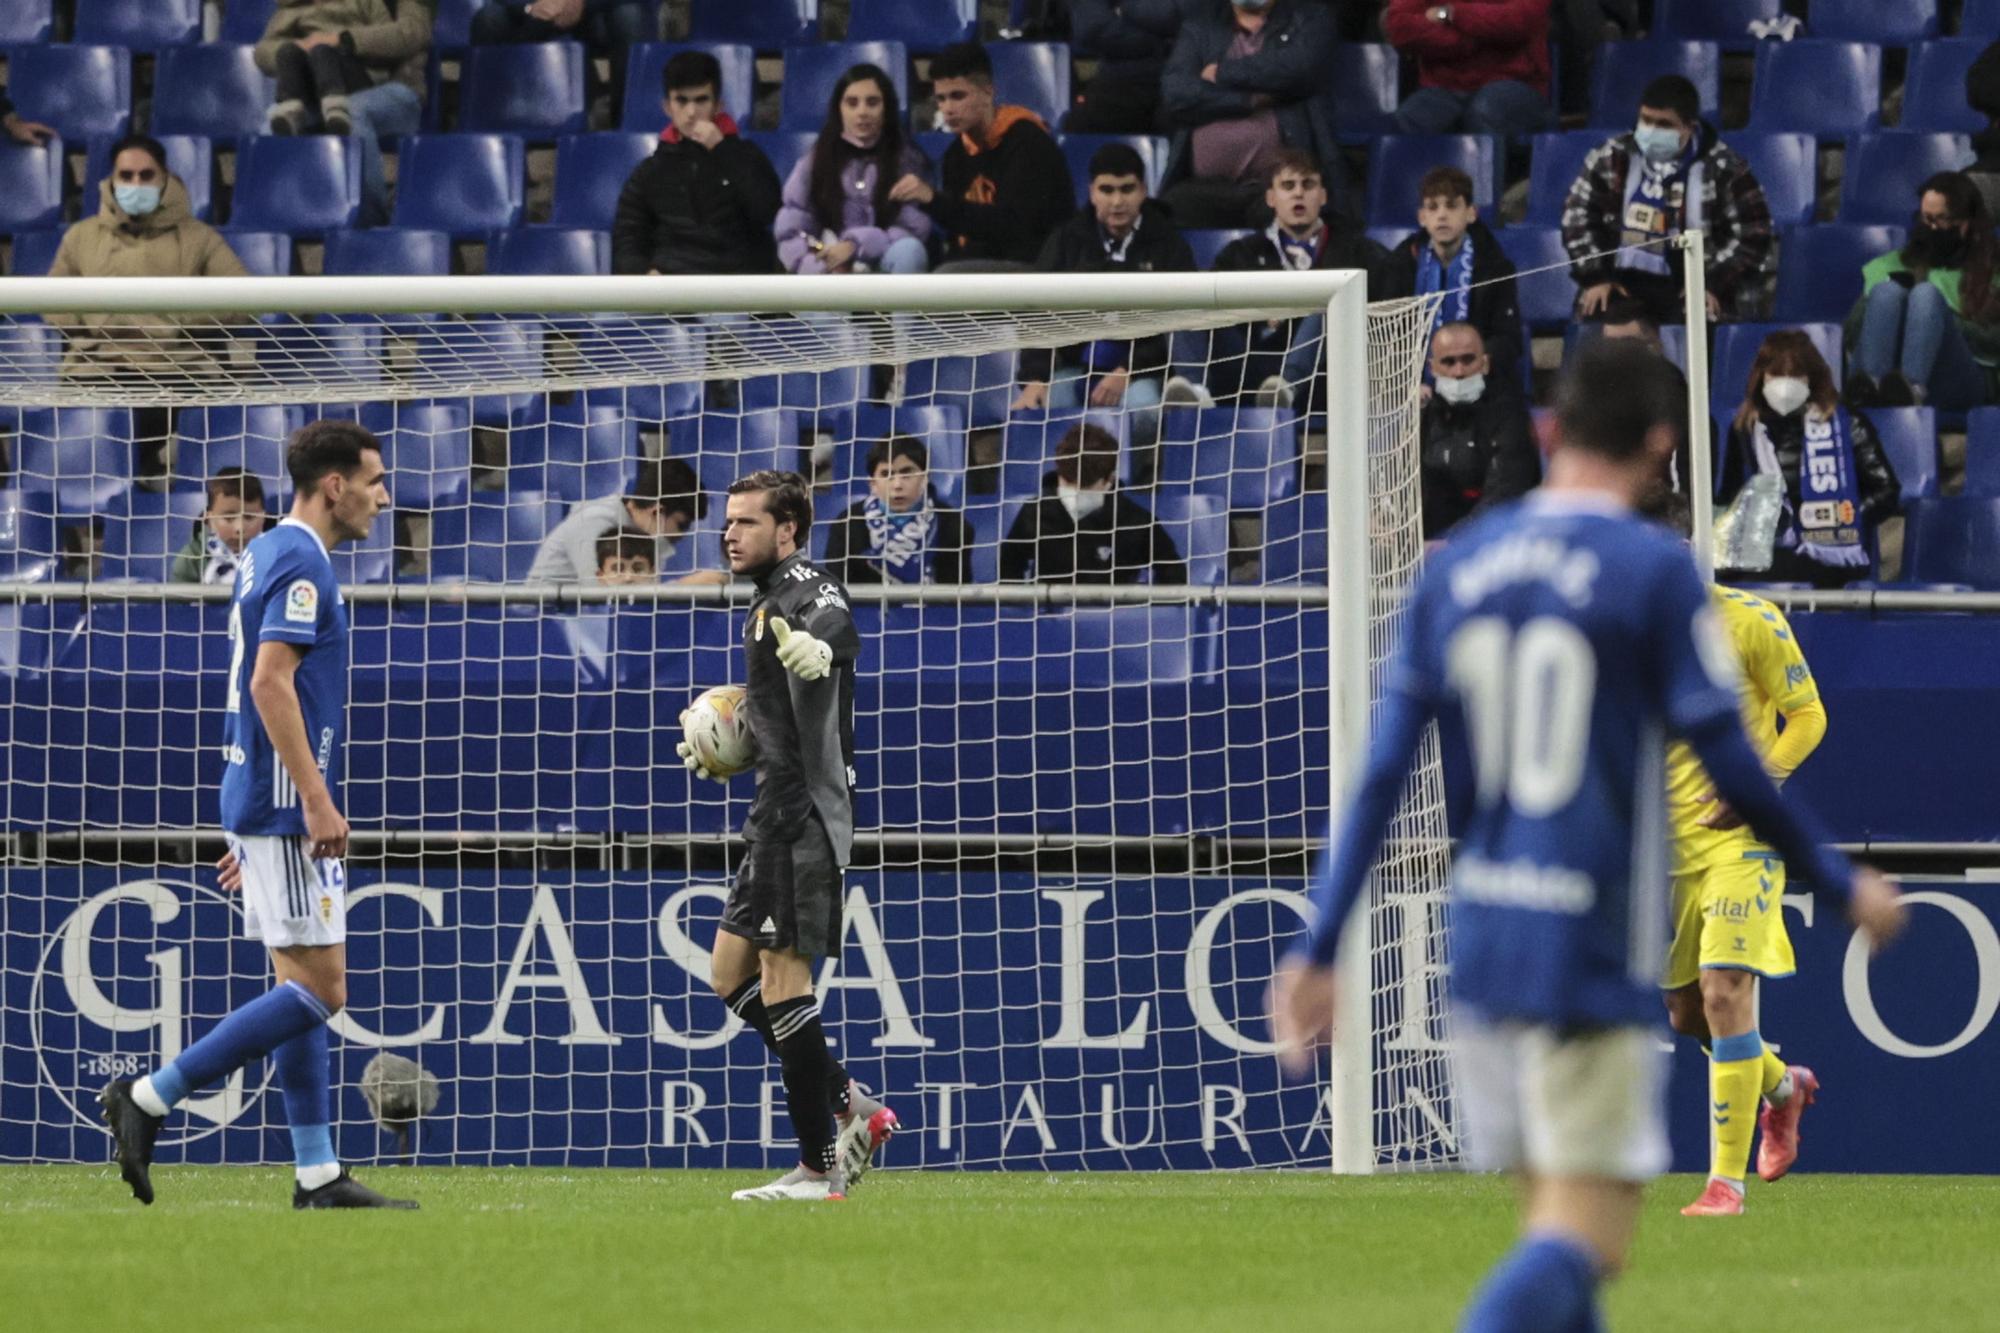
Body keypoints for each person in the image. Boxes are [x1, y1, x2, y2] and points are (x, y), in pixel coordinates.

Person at [1269, 339, 1904, 1333]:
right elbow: (1728, 758)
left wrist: (1315, 947)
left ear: (1551, 429)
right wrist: (1835, 880)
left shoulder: (1459, 566)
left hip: (1480, 944)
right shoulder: (1650, 569)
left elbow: (1382, 774)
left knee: (1551, 1225)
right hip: (1587, 927)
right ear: (1659, 447)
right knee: (1584, 1238)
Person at [100, 420, 416, 1211]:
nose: (386, 495)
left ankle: (316, 1172)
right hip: (282, 800)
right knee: (324, 987)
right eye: (375, 480)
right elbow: (269, 683)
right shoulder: (301, 560)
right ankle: (148, 1096)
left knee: (298, 979)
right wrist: (311, 798)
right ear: (335, 485)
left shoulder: (266, 551)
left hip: (261, 800)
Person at [680, 470, 898, 1201]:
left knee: (782, 984)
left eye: (747, 522)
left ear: (789, 530)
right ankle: (851, 1106)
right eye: (728, 521)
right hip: (773, 807)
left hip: (806, 813)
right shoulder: (766, 599)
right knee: (727, 973)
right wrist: (732, 750)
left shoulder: (809, 584)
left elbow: (837, 625)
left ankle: (819, 1167)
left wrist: (822, 650)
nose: (731, 533)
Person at [1661, 556, 1830, 1216]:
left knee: (1724, 988)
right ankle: (1783, 1089)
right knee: (1686, 1013)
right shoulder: (1629, 628)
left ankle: (1724, 1185)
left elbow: (1808, 715)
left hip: (1744, 842)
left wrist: (1756, 786)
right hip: (1675, 852)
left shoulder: (1750, 619)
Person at [44, 133, 250, 484]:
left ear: (164, 178)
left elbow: (244, 300)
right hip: (99, 371)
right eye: (126, 176)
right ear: (111, 180)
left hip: (179, 372)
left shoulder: (199, 237)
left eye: (146, 175)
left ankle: (163, 472)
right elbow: (50, 301)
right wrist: (97, 322)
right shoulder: (80, 237)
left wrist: (176, 319)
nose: (135, 183)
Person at [1170, 149, 1383, 409]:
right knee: (1189, 295)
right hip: (1245, 365)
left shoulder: (1355, 251)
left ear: (1323, 196)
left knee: (1331, 299)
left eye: (1308, 185)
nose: (1298, 194)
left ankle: (1287, 388)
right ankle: (1196, 390)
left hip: (1323, 377)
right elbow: (1214, 307)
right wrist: (1256, 309)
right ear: (1271, 198)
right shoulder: (1241, 253)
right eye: (1287, 185)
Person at [1013, 142, 1196, 440]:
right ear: (1091, 192)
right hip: (1075, 367)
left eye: (1127, 189)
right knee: (1051, 413)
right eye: (1107, 190)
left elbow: (1181, 326)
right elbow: (1037, 314)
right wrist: (1035, 378)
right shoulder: (1066, 240)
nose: (1117, 201)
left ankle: (1129, 483)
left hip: (1141, 371)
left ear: (1144, 191)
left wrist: (1128, 370)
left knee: (1144, 412)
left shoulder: (1168, 243)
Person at [1561, 75, 1774, 325]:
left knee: (1703, 317)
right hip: (1619, 280)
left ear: (1689, 127)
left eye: (1663, 124)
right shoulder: (1612, 156)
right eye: (1646, 120)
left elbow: (1752, 235)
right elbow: (1577, 216)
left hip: (1694, 284)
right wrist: (1595, 276)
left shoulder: (1726, 168)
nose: (1651, 131)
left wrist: (1714, 284)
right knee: (1595, 310)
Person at [1716, 329, 1900, 589]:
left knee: (1765, 576)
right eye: (1777, 375)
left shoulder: (1846, 423)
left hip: (1831, 552)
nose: (1785, 385)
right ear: (1761, 378)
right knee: (1717, 574)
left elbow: (1887, 490)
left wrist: (1843, 517)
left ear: (1812, 379)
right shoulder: (1747, 428)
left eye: (1796, 376)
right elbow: (1732, 496)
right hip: (1770, 545)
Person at [887, 42, 1072, 270]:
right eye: (941, 99)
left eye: (957, 96)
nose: (948, 109)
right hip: (982, 268)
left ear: (988, 92)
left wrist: (934, 201)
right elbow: (960, 236)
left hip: (1036, 266)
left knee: (946, 277)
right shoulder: (956, 154)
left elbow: (1016, 228)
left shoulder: (1028, 141)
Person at [1159, 0, 1338, 228]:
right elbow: (1177, 92)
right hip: (1205, 187)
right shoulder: (1201, 26)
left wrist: (1223, 73)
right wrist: (1248, 100)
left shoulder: (1308, 18)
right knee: (1168, 213)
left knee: (1292, 214)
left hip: (1278, 187)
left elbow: (1299, 68)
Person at [254, 0, 432, 227]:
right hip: (324, 87)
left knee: (352, 111)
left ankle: (371, 218)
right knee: (271, 123)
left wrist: (342, 39)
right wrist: (298, 49)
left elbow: (412, 33)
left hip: (394, 88)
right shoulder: (296, 6)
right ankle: (273, 214)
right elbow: (264, 51)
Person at [612, 50, 782, 277]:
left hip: (733, 287)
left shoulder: (746, 156)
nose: (691, 113)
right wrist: (643, 271)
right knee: (608, 314)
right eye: (681, 101)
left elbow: (768, 211)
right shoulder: (649, 172)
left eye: (701, 100)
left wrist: (723, 150)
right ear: (667, 107)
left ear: (718, 105)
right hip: (670, 289)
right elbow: (628, 234)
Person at [1847, 171, 2000, 412]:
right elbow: (1852, 333)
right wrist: (1885, 305)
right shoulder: (1893, 263)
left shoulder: (1993, 271)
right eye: (1926, 219)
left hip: (1958, 376)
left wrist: (1942, 319)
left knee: (1926, 296)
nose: (1932, 228)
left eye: (1942, 220)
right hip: (1884, 368)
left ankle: (1911, 390)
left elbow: (1994, 343)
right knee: (1887, 292)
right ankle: (1874, 391)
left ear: (1967, 223)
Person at [1372, 165, 1524, 383]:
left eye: (1452, 206)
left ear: (1471, 213)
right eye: (1433, 208)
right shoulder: (1400, 265)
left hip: (1478, 385)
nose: (1442, 215)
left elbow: (1508, 339)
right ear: (1422, 217)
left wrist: (1472, 368)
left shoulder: (1496, 266)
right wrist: (1407, 386)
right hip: (1412, 389)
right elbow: (1385, 337)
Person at [775, 63, 931, 276]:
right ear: (839, 109)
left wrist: (855, 246)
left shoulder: (907, 160)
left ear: (887, 108)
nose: (862, 112)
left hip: (883, 263)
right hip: (831, 268)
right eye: (852, 103)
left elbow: (911, 227)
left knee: (910, 251)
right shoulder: (815, 160)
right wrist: (821, 263)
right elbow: (793, 227)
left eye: (872, 102)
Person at [1000, 423, 1186, 584]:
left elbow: (1172, 571)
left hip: (1115, 620)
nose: (1075, 494)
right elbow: (1009, 565)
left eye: (1086, 487)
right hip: (1050, 619)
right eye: (1068, 483)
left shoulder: (1136, 520)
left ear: (1109, 481)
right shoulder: (1034, 512)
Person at [1418, 322, 1539, 539]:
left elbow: (1507, 492)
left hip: (1495, 539)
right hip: (1428, 540)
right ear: (1432, 368)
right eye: (1448, 362)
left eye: (1468, 359)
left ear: (1485, 364)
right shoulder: (1422, 417)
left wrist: (1452, 545)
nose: (1459, 371)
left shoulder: (1510, 415)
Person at [526, 456, 719, 584]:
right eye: (681, 524)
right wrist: (686, 586)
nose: (681, 535)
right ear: (657, 512)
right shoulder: (595, 522)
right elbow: (603, 598)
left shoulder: (648, 539)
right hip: (540, 629)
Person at [1384, 0, 1553, 138]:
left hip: (1515, 83)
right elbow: (1400, 28)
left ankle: (1498, 179)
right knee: (1407, 121)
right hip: (1443, 87)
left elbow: (1520, 20)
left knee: (1485, 111)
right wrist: (1468, 41)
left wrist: (1451, 13)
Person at [824, 436, 974, 586]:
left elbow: (955, 600)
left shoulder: (953, 525)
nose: (897, 485)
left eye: (907, 473)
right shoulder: (847, 524)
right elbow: (835, 590)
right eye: (886, 474)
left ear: (925, 478)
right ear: (872, 484)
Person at [468, 0, 652, 118]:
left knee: (628, 15)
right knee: (488, 19)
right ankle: (498, 120)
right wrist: (531, 7)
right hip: (532, 9)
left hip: (592, 12)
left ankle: (625, 119)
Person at [1068, 0, 1188, 134]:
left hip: (1185, 75)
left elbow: (1187, 14)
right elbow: (1093, 28)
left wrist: (1124, 7)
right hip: (1121, 77)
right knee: (1077, 128)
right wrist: (1161, 44)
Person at [171, 467, 270, 585]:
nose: (240, 528)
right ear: (209, 519)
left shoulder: (277, 557)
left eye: (249, 518)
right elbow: (177, 602)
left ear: (264, 518)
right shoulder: (191, 559)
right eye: (229, 518)